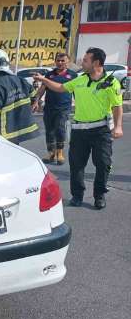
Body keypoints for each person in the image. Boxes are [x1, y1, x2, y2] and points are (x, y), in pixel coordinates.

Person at [34, 47, 123, 210]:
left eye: (86, 60)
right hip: (79, 130)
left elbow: (117, 106)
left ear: (96, 62)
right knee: (76, 165)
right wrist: (44, 80)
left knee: (103, 164)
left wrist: (118, 127)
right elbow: (61, 88)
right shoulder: (80, 80)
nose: (82, 62)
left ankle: (99, 195)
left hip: (101, 131)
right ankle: (77, 195)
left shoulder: (111, 82)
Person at [0, 48, 39, 144]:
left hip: (2, 137)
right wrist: (35, 103)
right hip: (18, 134)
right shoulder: (21, 80)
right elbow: (35, 97)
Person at [32, 53, 77, 165]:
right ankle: (51, 154)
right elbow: (42, 88)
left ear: (68, 61)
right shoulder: (49, 75)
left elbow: (77, 92)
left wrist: (80, 105)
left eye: (63, 60)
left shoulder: (73, 75)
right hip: (49, 108)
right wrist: (36, 101)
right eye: (58, 60)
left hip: (63, 109)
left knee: (60, 129)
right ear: (55, 61)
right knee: (49, 131)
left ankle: (60, 153)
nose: (60, 63)